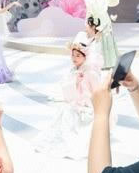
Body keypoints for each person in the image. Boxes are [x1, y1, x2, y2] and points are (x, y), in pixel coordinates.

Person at [35, 31, 103, 159]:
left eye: (78, 55)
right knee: (65, 113)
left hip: (88, 105)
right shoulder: (74, 70)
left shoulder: (90, 72)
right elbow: (66, 90)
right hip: (75, 102)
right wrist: (75, 83)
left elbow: (97, 92)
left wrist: (92, 105)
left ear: (85, 57)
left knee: (72, 114)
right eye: (73, 55)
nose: (74, 58)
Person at [83, 0, 121, 67]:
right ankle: (97, 63)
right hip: (94, 21)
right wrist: (87, 22)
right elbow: (88, 10)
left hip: (104, 20)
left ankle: (108, 62)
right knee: (95, 41)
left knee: (105, 39)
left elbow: (114, 1)